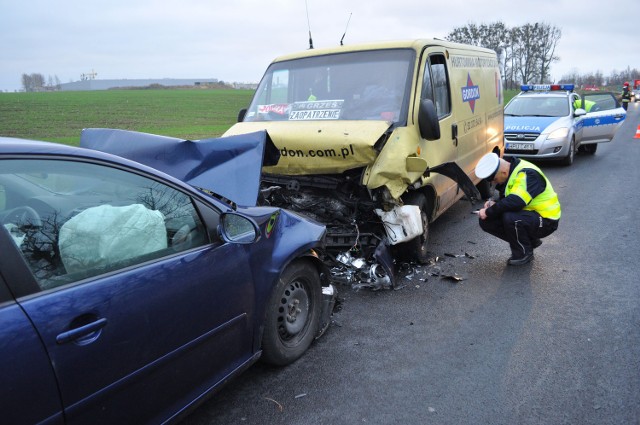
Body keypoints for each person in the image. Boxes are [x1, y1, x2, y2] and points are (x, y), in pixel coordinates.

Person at [474, 153, 561, 266]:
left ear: (504, 172)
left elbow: (516, 201)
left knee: (511, 218)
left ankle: (523, 253)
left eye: (495, 179)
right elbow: (509, 199)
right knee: (486, 220)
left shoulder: (527, 174)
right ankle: (528, 240)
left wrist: (488, 211)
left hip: (546, 220)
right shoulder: (511, 172)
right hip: (530, 215)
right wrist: (494, 204)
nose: (495, 183)